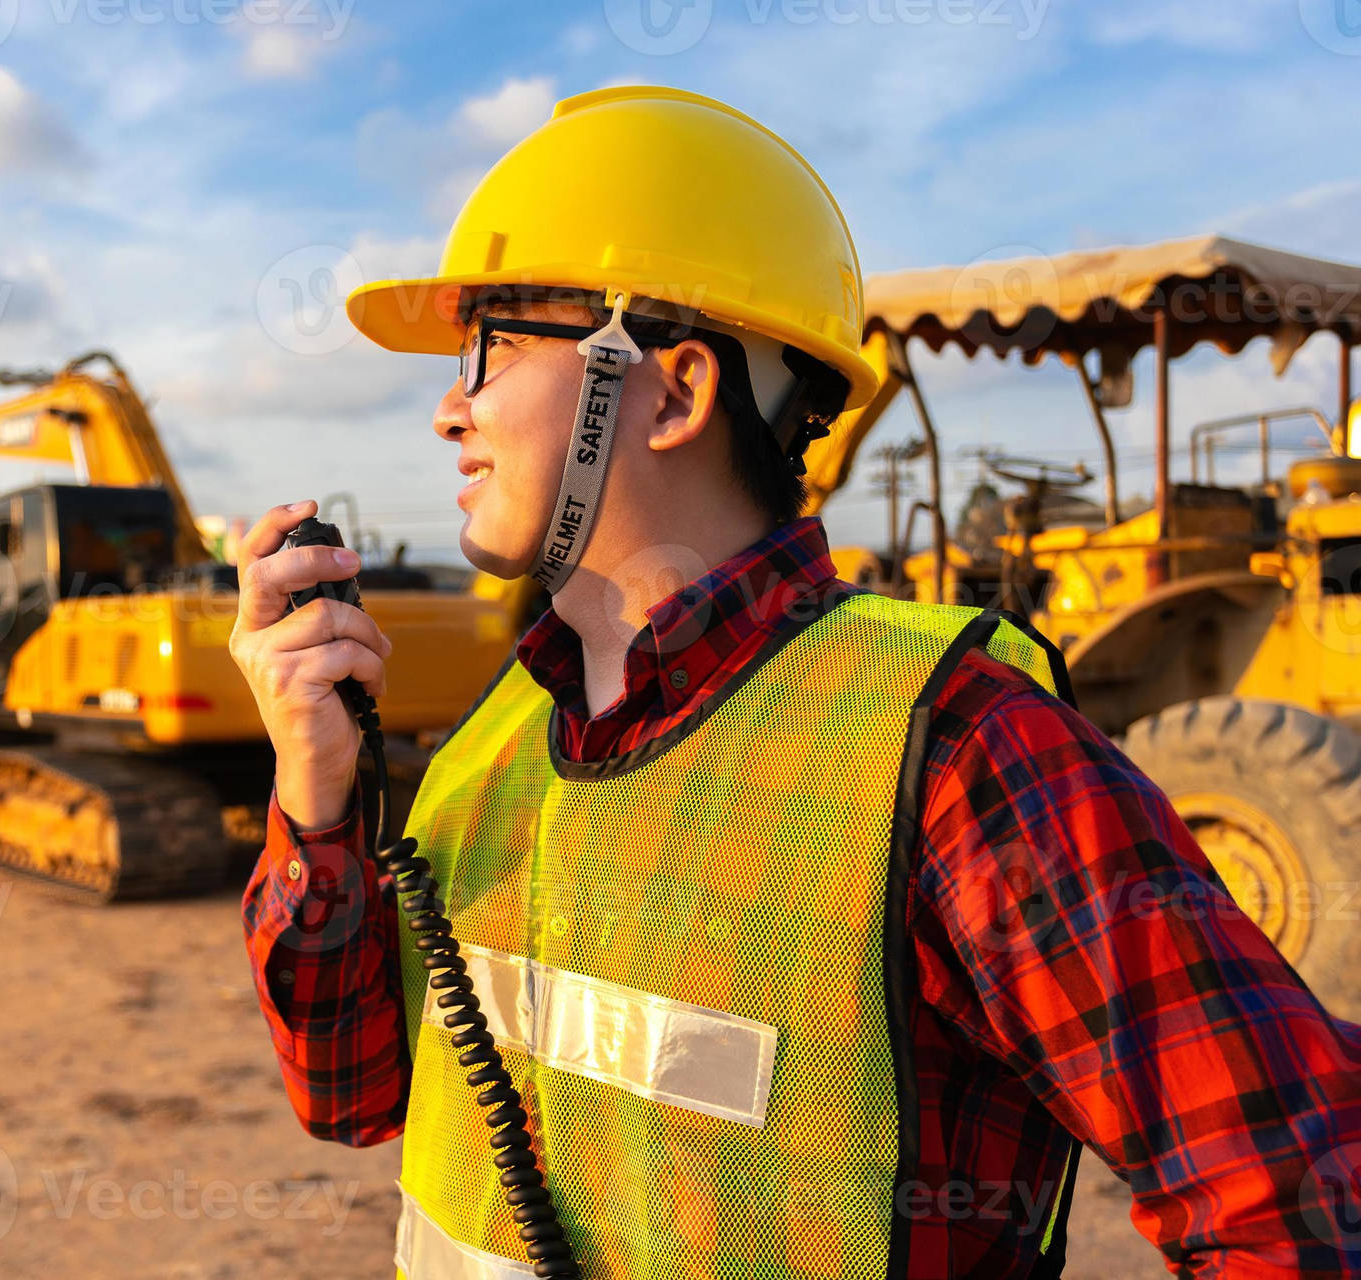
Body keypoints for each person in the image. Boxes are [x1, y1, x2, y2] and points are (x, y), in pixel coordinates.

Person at [229, 86, 1361, 1278]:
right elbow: (353, 1092)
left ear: (670, 390)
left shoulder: (956, 752)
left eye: (496, 343)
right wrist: (317, 798)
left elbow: (1305, 1211)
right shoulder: (502, 730)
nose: (450, 407)